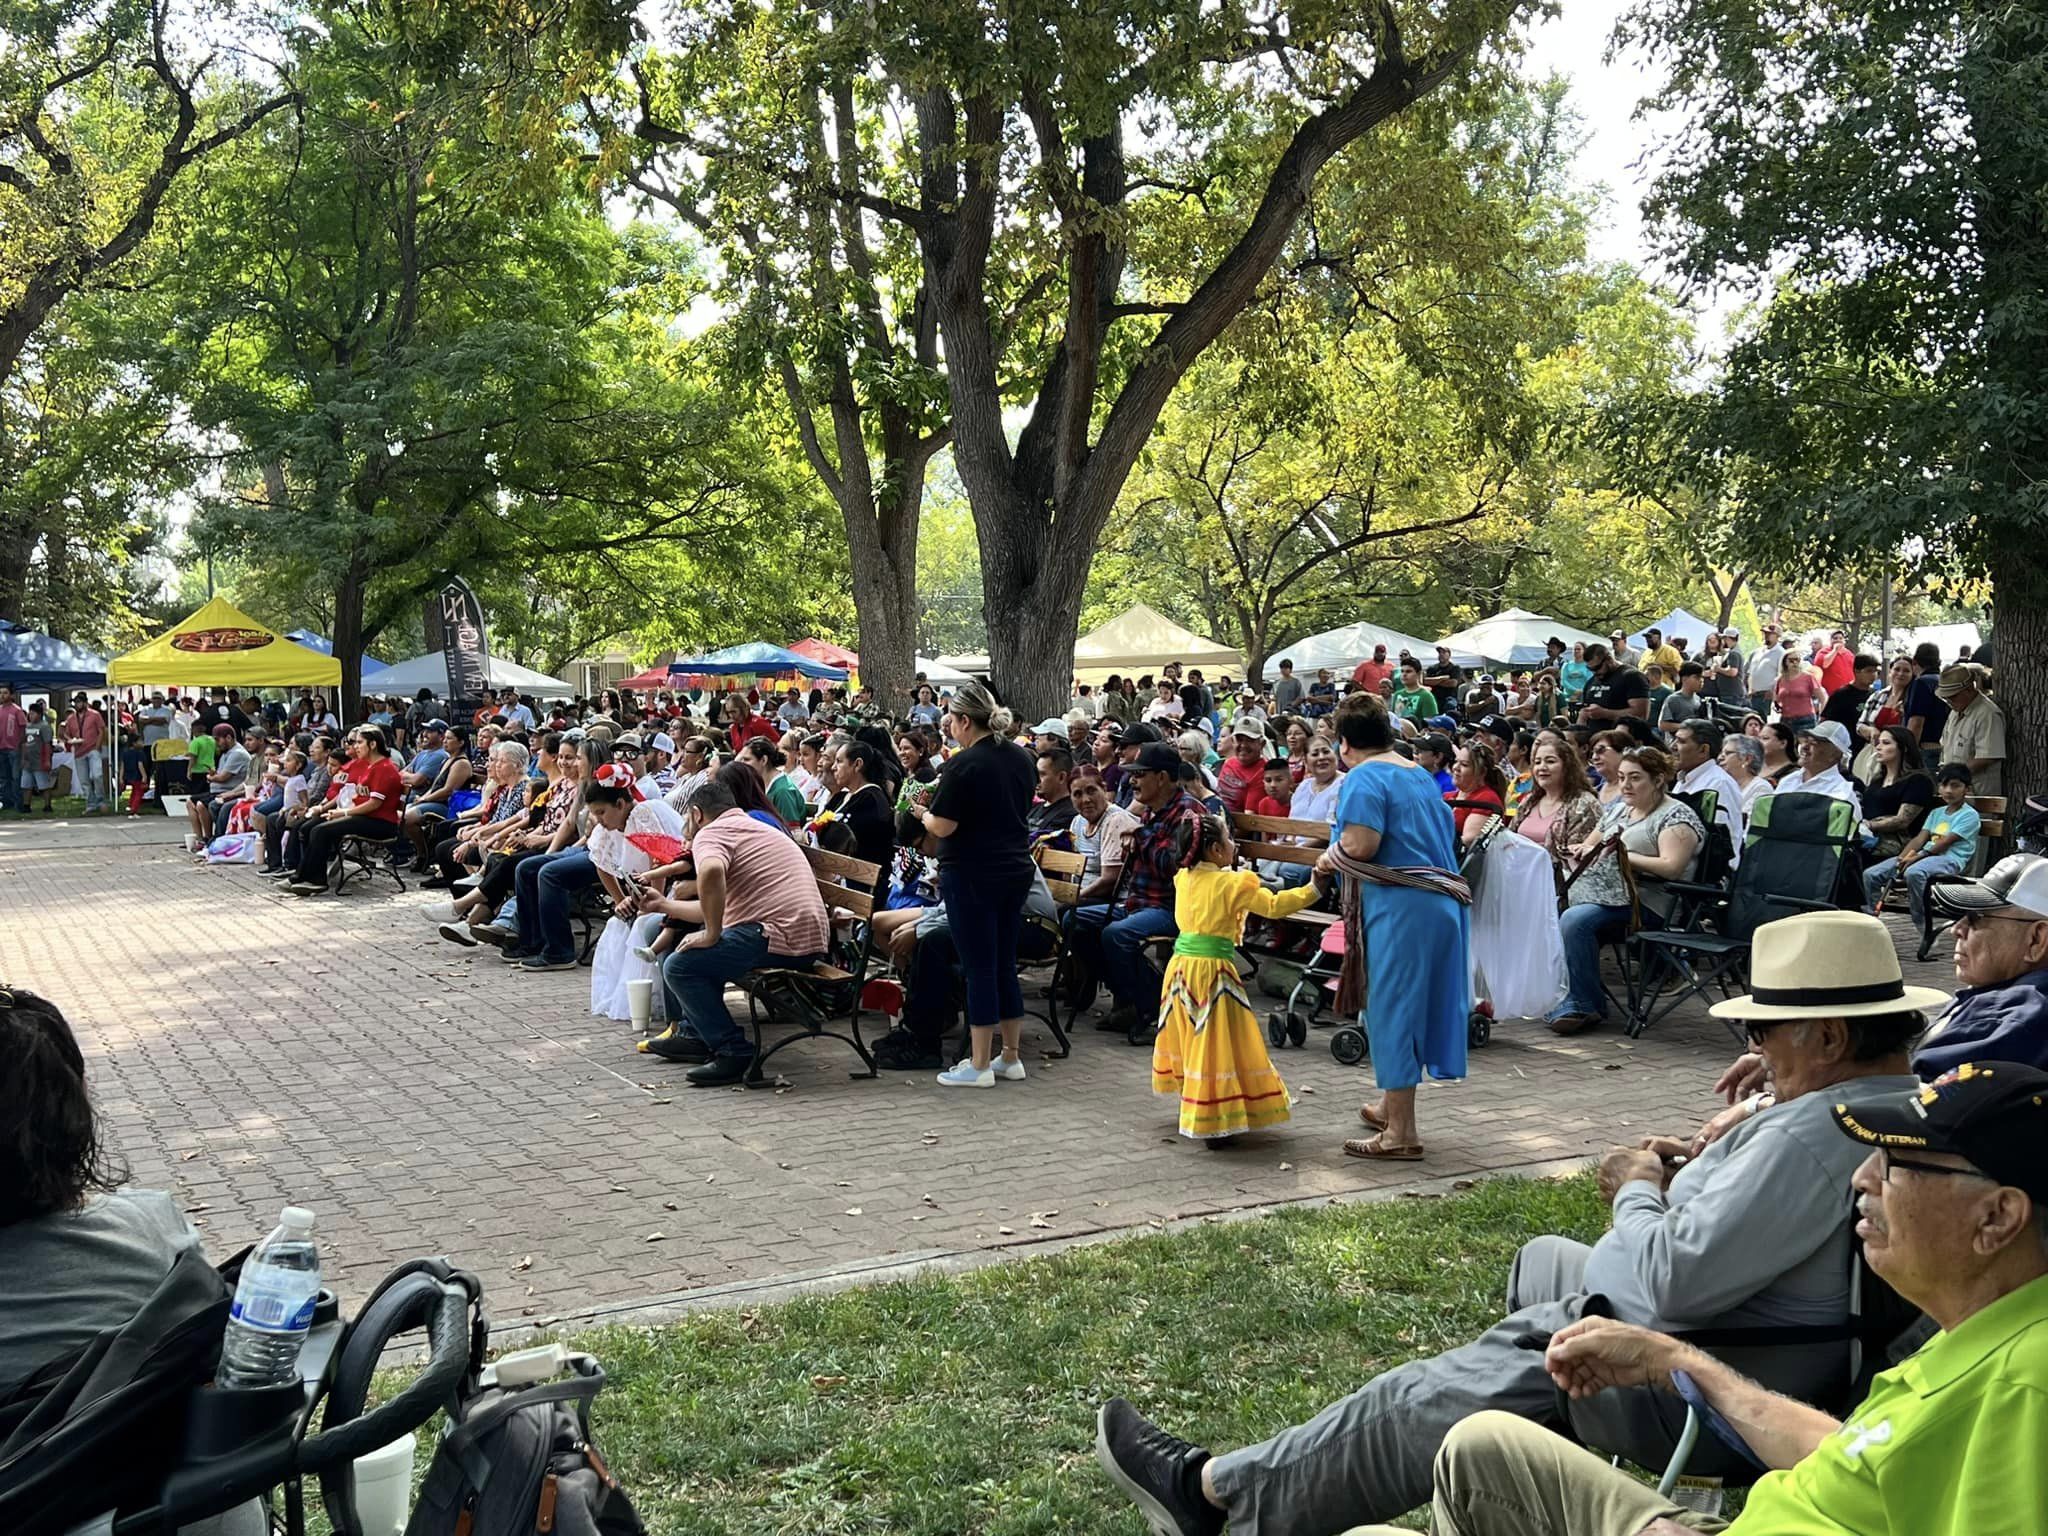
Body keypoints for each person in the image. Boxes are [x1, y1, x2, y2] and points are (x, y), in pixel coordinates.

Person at [1095, 909, 1940, 1536]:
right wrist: (1736, 1134)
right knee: (1542, 1261)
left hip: (1710, 1374)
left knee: (1424, 1390)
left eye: (1764, 1027)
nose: (1752, 1043)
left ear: (1828, 1036)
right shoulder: (1897, 1099)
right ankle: (1507, 1408)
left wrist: (1639, 1186)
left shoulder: (1816, 1133)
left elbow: (1668, 1283)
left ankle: (1220, 1500)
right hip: (1772, 1335)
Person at [1339, 1056, 2048, 1536]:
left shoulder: (2027, 1387)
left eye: (1896, 1163)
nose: (1862, 1179)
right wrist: (1682, 1361)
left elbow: (1672, 1276)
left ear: (1998, 1218)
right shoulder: (1975, 1329)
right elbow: (1857, 1455)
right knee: (1480, 1443)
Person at [1318, 698, 1468, 1160]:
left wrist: (1328, 859)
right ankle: (1390, 1104)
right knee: (1413, 1007)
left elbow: (1362, 845)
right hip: (1437, 906)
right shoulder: (1417, 773)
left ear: (1344, 744)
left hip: (1401, 909)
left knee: (1393, 1010)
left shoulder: (1364, 776)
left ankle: (1401, 1132)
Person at [633, 777, 831, 1085]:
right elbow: (715, 906)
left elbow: (710, 872)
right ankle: (697, 1035)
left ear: (697, 814)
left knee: (682, 965)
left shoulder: (712, 833)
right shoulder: (751, 827)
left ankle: (733, 1051)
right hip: (804, 936)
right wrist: (664, 906)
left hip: (779, 935)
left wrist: (711, 933)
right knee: (694, 952)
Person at [1150, 815, 1330, 1140]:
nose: (1235, 845)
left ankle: (1196, 1102)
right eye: (1230, 840)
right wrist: (1314, 888)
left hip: (1180, 969)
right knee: (1218, 1042)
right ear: (1217, 849)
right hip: (1213, 972)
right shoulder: (1232, 883)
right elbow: (1274, 906)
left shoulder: (1184, 878)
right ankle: (1214, 1114)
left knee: (1192, 1036)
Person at [901, 680, 1037, 1088]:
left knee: (978, 966)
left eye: (951, 720)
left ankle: (978, 1064)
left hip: (973, 871)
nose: (948, 726)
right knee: (1002, 963)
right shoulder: (1020, 757)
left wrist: (920, 813)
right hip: (1015, 868)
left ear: (963, 720)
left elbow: (944, 825)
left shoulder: (963, 763)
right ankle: (1009, 1056)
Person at [1548, 746, 1704, 1035]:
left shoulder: (1676, 816)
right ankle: (1560, 995)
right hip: (1608, 894)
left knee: (1575, 920)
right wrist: (1579, 851)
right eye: (1621, 778)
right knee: (1549, 908)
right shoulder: (1620, 809)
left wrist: (1621, 855)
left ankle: (1585, 1003)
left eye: (1635, 778)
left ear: (1658, 779)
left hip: (1651, 902)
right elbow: (1592, 844)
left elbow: (1672, 866)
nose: (1625, 785)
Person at [1066, 742, 1208, 1033]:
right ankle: (1130, 997)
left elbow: (1175, 866)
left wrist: (1141, 839)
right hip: (1135, 903)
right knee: (1073, 921)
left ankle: (1158, 1003)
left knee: (1117, 935)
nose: (1133, 780)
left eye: (1140, 774)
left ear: (1163, 778)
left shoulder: (1188, 813)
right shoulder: (1152, 810)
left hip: (1172, 907)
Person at [1915, 854, 2048, 1074]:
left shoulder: (2002, 1019)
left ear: (2036, 940)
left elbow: (1907, 1100)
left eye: (1976, 918)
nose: (1956, 929)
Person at [287, 725, 404, 892]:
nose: (355, 746)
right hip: (365, 817)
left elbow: (374, 804)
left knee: (320, 831)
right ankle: (304, 875)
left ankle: (315, 880)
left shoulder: (385, 768)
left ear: (373, 744)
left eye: (359, 742)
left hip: (381, 823)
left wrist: (344, 813)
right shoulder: (369, 766)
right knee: (313, 827)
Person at [1863, 763, 1981, 925]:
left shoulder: (1969, 815)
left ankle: (1921, 920)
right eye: (1944, 785)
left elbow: (1946, 842)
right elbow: (1920, 839)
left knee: (1914, 873)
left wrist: (1917, 857)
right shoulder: (1936, 813)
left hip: (1949, 860)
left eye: (1955, 786)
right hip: (1922, 858)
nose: (1948, 790)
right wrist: (1902, 858)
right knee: (1871, 875)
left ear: (1966, 789)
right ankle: (1874, 917)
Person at [1857, 722, 1935, 861]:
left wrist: (1868, 825)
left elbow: (1902, 821)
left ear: (1903, 748)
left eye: (1886, 743)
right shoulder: (1877, 780)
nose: (1878, 747)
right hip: (1867, 840)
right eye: (1878, 743)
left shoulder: (1918, 781)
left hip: (1897, 847)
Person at [1669, 719, 1745, 861]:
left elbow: (1718, 842)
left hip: (1706, 873)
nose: (1672, 746)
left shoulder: (1719, 784)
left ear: (1703, 750)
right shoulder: (1684, 779)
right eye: (1674, 740)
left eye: (1681, 741)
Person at [1514, 734, 1600, 858]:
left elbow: (1575, 857)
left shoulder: (1584, 804)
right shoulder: (1529, 801)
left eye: (1550, 761)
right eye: (1537, 762)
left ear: (1567, 766)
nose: (1542, 767)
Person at [1069, 766, 1142, 902]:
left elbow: (1110, 880)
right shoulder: (1077, 822)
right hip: (1083, 894)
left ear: (1103, 788)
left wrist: (1074, 897)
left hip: (1112, 900)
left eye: (1091, 791)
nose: (1086, 800)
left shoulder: (1115, 820)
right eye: (1077, 794)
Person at [1935, 662, 2006, 797]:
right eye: (1945, 698)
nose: (1949, 701)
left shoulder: (1988, 714)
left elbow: (1988, 757)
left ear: (1968, 690)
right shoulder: (1955, 711)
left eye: (1953, 696)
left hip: (1978, 794)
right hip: (1954, 792)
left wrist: (1954, 775)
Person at [1776, 719, 1860, 805]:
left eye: (1813, 743)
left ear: (1833, 754)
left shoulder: (1842, 794)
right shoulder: (1788, 780)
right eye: (1805, 741)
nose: (1804, 746)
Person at [1446, 740, 1505, 846]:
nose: (1455, 767)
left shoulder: (1486, 798)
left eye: (1464, 764)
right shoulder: (1448, 796)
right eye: (1456, 761)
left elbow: (1469, 841)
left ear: (1482, 772)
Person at [1578, 644, 1650, 730]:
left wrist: (1605, 713)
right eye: (1590, 669)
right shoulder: (1591, 682)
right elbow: (1584, 713)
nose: (1595, 672)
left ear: (1609, 659)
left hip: (1622, 738)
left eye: (1597, 667)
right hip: (1595, 738)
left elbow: (1641, 714)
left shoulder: (1632, 676)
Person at [61, 693, 108, 814]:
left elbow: (102, 730)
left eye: (79, 702)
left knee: (97, 775)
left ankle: (100, 800)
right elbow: (66, 733)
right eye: (75, 702)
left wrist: (97, 747)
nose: (77, 704)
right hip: (79, 752)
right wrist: (69, 739)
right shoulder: (71, 718)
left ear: (85, 703)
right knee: (84, 780)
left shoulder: (95, 715)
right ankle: (91, 803)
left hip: (93, 749)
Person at [1213, 725, 1267, 815]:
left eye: (1250, 740)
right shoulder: (1229, 763)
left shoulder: (1264, 771)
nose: (1243, 745)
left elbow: (1249, 816)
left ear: (1262, 744)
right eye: (1240, 740)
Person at [1717, 731, 1772, 819]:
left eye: (1727, 753)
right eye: (1721, 753)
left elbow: (1751, 825)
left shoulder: (1761, 788)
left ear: (1747, 759)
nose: (1720, 758)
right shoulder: (1722, 784)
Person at [1821, 651, 1879, 731]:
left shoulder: (1876, 695)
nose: (1873, 675)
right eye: (1869, 671)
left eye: (1875, 671)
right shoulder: (1841, 695)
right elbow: (1825, 722)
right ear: (1856, 671)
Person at [1745, 620, 1787, 713]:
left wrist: (1773, 691)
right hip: (1752, 694)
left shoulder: (1781, 653)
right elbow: (1750, 671)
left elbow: (1782, 676)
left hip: (1766, 695)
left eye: (1770, 634)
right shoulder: (1757, 651)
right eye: (1765, 633)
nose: (1767, 636)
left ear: (1777, 637)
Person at [1654, 661, 1707, 735]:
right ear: (1684, 678)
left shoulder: (1698, 699)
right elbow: (1663, 725)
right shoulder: (1673, 699)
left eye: (1702, 677)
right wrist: (1688, 726)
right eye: (1697, 677)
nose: (1701, 680)